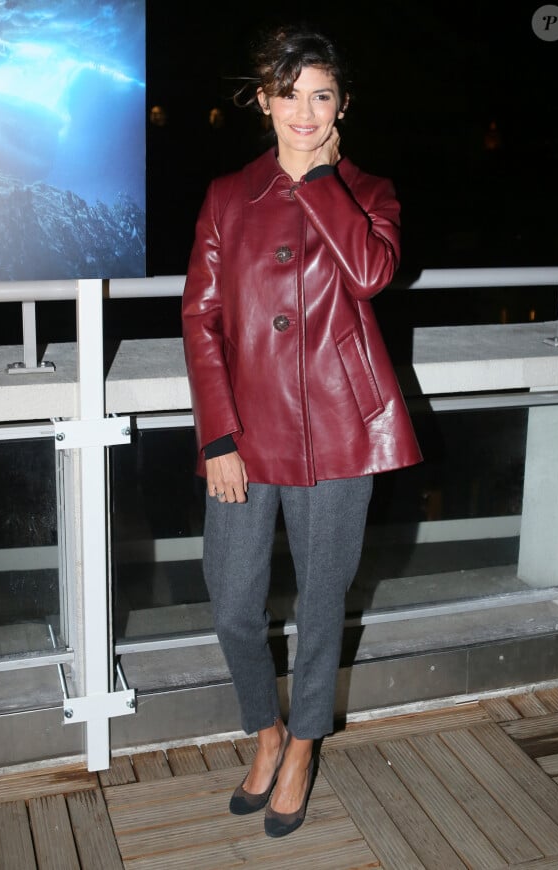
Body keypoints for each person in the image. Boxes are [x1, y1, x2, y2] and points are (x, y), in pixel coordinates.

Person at [182, 22, 422, 838]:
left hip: (340, 436)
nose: (305, 112)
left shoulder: (370, 192)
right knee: (232, 606)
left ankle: (304, 745)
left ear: (342, 105)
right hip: (245, 436)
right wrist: (217, 437)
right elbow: (201, 318)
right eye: (290, 95)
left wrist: (318, 181)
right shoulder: (225, 196)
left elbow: (369, 272)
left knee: (322, 604)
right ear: (264, 101)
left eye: (322, 96)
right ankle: (265, 728)